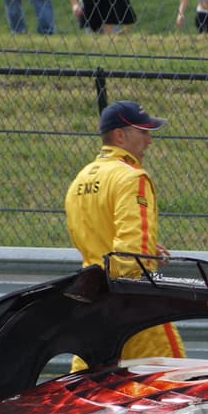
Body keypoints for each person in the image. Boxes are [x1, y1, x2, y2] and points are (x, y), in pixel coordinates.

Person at [64, 100, 185, 366]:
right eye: (143, 131)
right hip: (132, 302)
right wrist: (142, 256)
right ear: (121, 135)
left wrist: (146, 247)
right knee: (172, 384)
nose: (149, 140)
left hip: (91, 302)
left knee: (87, 388)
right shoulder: (132, 178)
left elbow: (93, 238)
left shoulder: (81, 179)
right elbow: (130, 255)